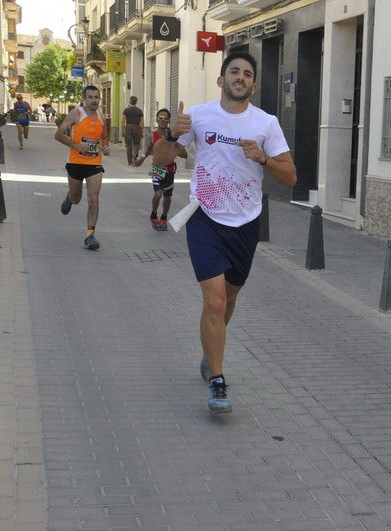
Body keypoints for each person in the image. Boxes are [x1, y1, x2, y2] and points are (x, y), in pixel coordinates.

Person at [153, 51, 297, 413]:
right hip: (205, 217)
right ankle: (217, 379)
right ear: (221, 80)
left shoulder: (266, 123)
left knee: (229, 300)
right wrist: (172, 133)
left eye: (247, 73)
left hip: (246, 223)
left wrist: (264, 158)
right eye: (234, 71)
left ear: (253, 85)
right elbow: (160, 159)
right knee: (215, 301)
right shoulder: (199, 116)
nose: (240, 77)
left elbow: (291, 176)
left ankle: (210, 351)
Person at [54, 85, 109, 250]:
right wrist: (76, 146)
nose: (94, 100)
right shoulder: (76, 113)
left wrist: (105, 146)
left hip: (94, 164)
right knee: (76, 199)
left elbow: (104, 138)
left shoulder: (101, 117)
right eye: (90, 97)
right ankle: (69, 198)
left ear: (100, 99)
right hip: (75, 163)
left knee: (93, 199)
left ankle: (90, 235)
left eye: (96, 97)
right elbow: (58, 135)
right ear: (84, 99)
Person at [133, 108, 188, 231]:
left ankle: (164, 218)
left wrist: (176, 148)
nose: (163, 120)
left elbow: (184, 154)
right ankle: (153, 215)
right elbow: (148, 149)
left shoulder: (173, 135)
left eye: (165, 118)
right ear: (157, 120)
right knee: (158, 194)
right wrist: (141, 159)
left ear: (168, 121)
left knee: (167, 197)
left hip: (170, 170)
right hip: (157, 169)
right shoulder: (152, 135)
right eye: (161, 118)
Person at [121, 96, 144, 165]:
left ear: (130, 101)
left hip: (128, 127)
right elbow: (142, 122)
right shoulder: (139, 111)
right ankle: (135, 154)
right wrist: (141, 131)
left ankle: (130, 161)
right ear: (136, 102)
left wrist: (122, 130)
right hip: (137, 127)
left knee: (129, 145)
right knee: (136, 143)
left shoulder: (126, 110)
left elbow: (123, 121)